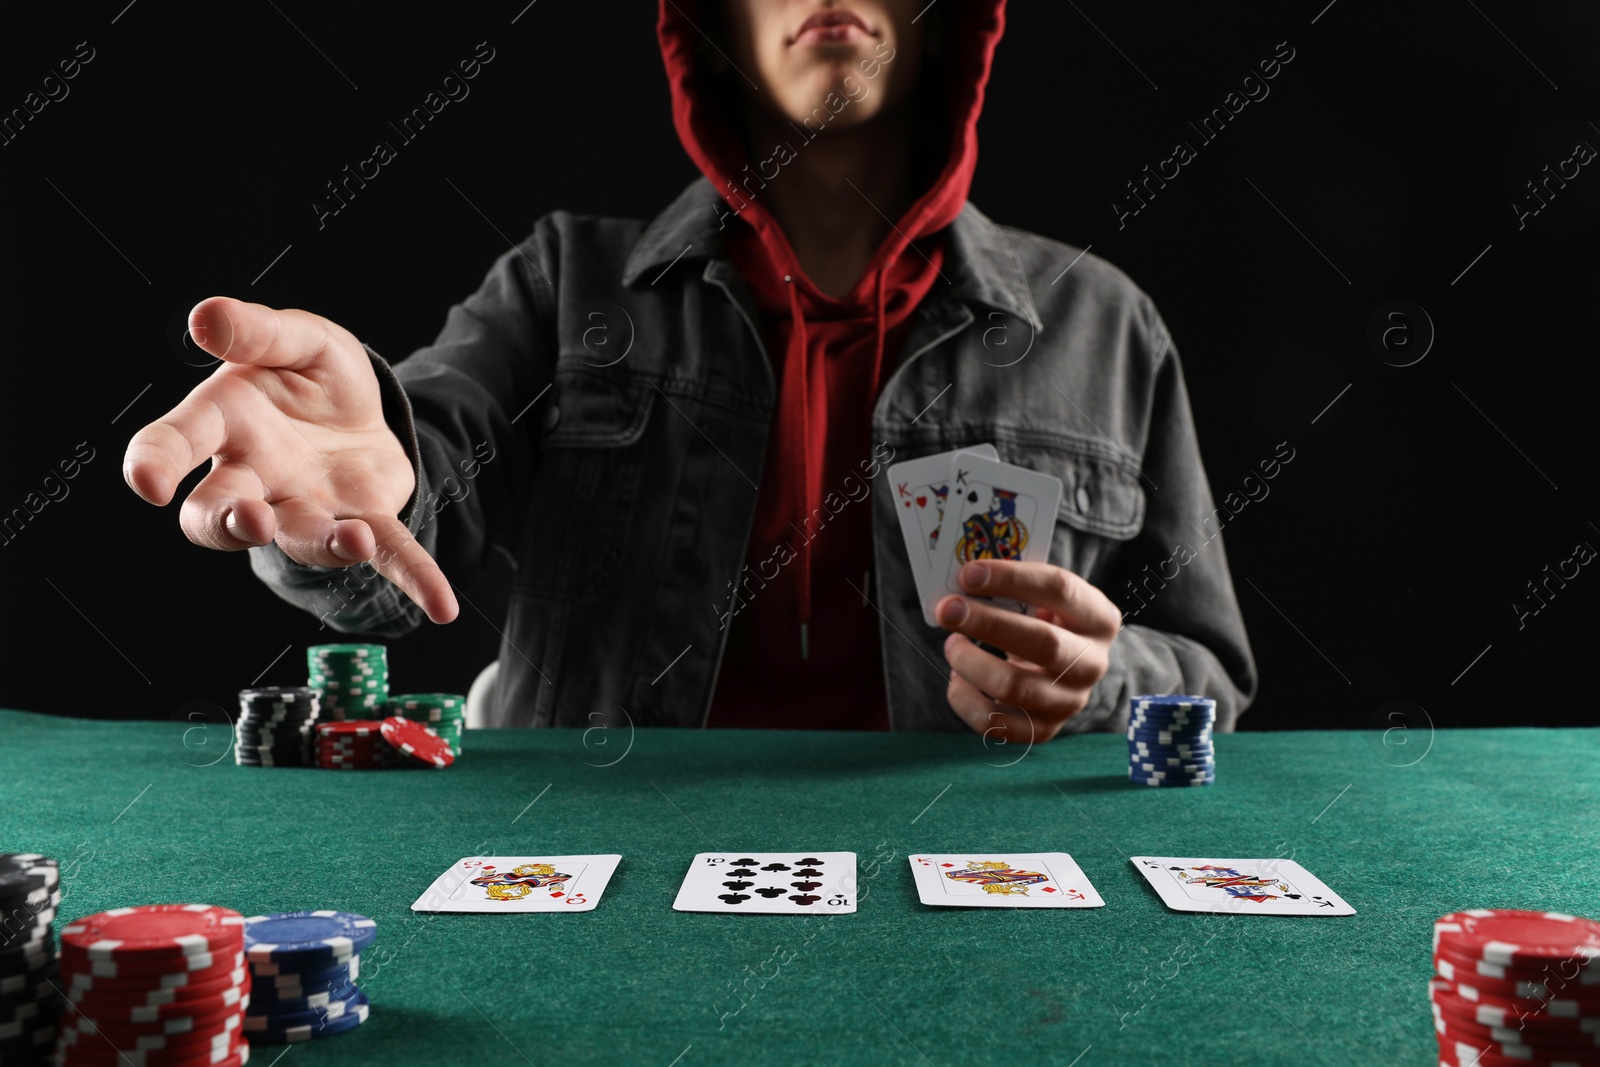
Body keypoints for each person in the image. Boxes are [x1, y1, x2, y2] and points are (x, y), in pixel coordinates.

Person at [122, 0, 1256, 739]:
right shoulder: (564, 281)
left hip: (964, 891)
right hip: (595, 879)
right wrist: (337, 500)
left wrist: (1100, 680)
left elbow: (1212, 673)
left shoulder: (1105, 322)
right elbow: (407, 501)